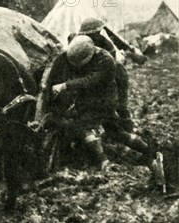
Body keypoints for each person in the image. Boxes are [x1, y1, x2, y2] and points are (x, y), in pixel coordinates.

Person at [48, 35, 151, 169]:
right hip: (92, 100)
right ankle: (148, 150)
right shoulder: (84, 52)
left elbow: (90, 80)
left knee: (82, 127)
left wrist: (65, 85)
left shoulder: (105, 60)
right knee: (116, 132)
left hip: (103, 102)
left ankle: (104, 163)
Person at [76, 17, 146, 130]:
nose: (95, 35)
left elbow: (107, 67)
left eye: (95, 33)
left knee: (120, 105)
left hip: (115, 75)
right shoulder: (81, 41)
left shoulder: (105, 44)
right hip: (99, 74)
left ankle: (128, 129)